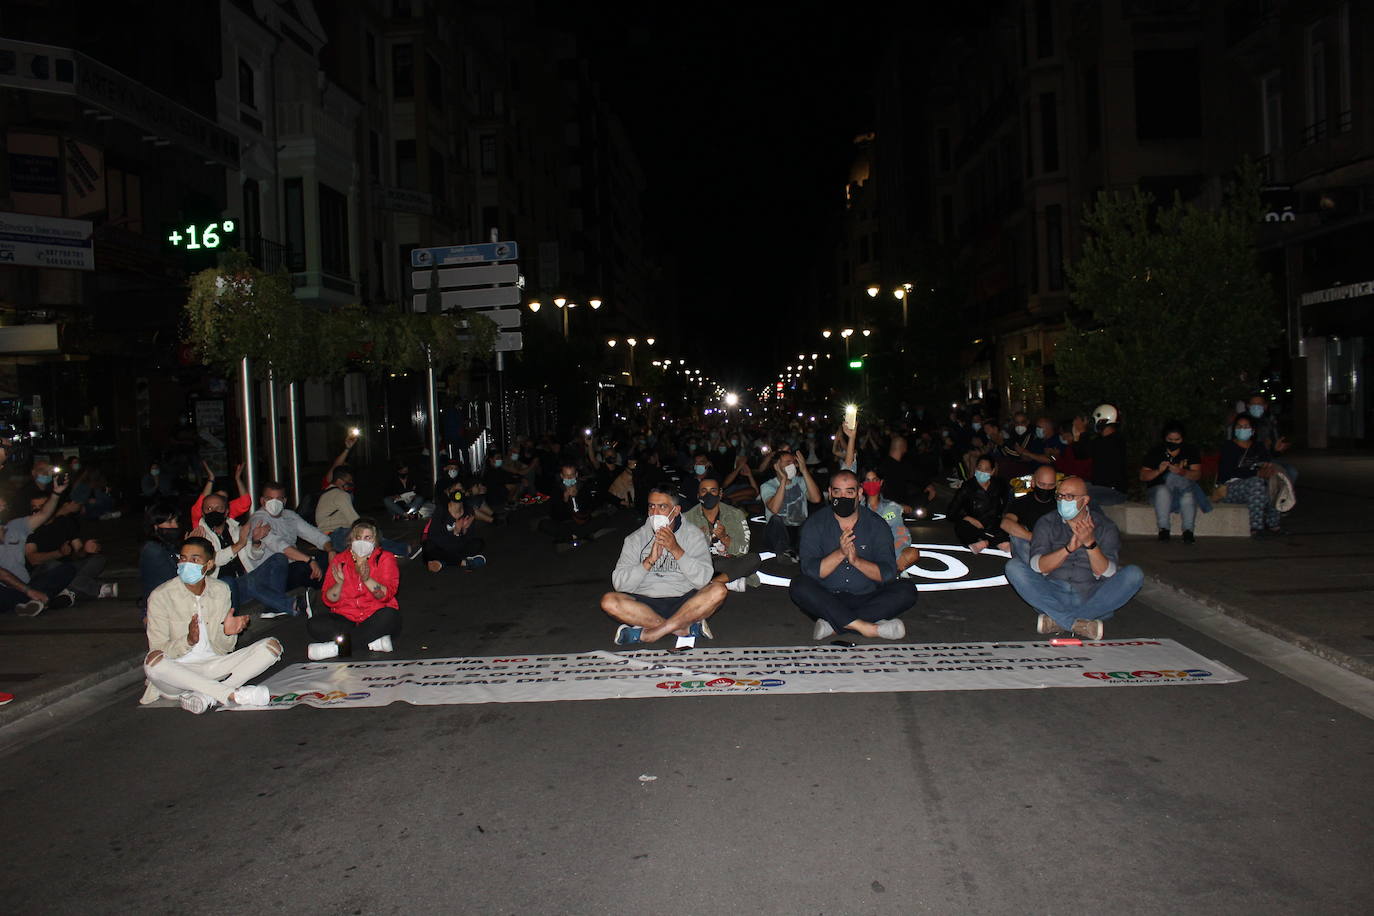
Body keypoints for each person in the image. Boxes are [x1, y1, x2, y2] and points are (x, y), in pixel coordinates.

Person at [139, 536, 282, 714]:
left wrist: (228, 633)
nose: (186, 564)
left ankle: (206, 696)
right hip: (177, 675)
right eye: (183, 558)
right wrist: (188, 641)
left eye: (194, 559)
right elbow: (158, 649)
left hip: (213, 666)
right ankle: (230, 694)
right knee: (153, 662)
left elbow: (223, 649)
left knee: (271, 647)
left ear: (209, 565)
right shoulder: (161, 596)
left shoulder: (221, 590)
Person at [1003, 475, 1144, 640]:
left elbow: (1108, 572)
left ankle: (1058, 620)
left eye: (1069, 497)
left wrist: (1090, 544)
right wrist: (1068, 549)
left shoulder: (1105, 526)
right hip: (1053, 593)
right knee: (1013, 567)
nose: (1063, 501)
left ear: (1085, 500)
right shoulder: (1047, 522)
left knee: (1134, 574)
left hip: (1090, 595)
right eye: (1060, 496)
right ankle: (1077, 623)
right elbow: (1037, 566)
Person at [789, 470, 916, 640]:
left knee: (907, 590)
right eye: (837, 492)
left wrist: (856, 561)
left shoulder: (877, 525)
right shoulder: (815, 524)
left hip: (868, 597)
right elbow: (810, 571)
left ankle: (835, 624)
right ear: (830, 493)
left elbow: (887, 573)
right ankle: (867, 627)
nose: (843, 497)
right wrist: (840, 553)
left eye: (849, 492)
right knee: (799, 585)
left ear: (860, 493)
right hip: (827, 596)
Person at [599, 485, 726, 645]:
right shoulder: (635, 539)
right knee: (609, 601)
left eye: (662, 507)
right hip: (645, 603)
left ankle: (647, 634)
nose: (655, 513)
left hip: (685, 601)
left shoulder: (693, 535)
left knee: (718, 590)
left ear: (676, 510)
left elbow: (702, 580)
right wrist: (648, 561)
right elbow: (620, 584)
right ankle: (683, 629)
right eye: (651, 506)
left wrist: (676, 550)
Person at [306, 518, 402, 660]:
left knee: (389, 616)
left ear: (375, 540)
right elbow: (328, 599)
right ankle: (371, 640)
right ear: (351, 539)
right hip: (348, 619)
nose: (362, 541)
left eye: (367, 537)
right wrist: (339, 584)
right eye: (358, 537)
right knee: (315, 624)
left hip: (375, 618)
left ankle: (337, 648)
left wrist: (366, 579)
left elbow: (385, 596)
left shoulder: (384, 558)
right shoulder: (340, 560)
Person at [192, 491, 298, 618]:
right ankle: (289, 604)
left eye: (218, 508)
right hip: (223, 591)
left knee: (279, 558)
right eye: (209, 509)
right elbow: (214, 560)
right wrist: (239, 544)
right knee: (233, 581)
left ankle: (274, 606)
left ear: (226, 511)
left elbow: (254, 556)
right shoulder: (199, 534)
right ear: (203, 513)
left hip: (245, 583)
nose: (214, 511)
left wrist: (256, 542)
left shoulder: (235, 529)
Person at [0, 475, 78, 615]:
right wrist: (29, 591)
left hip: (27, 584)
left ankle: (31, 603)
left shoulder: (16, 526)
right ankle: (42, 600)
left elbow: (44, 514)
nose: (2, 502)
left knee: (67, 569)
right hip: (7, 589)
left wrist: (56, 493)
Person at [243, 480, 334, 596]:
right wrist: (309, 560)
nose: (274, 503)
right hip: (272, 575)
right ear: (262, 501)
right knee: (304, 568)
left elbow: (316, 535)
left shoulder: (289, 516)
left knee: (333, 557)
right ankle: (320, 588)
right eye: (269, 499)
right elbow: (280, 546)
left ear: (284, 500)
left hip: (294, 564)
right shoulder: (259, 520)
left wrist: (331, 551)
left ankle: (329, 588)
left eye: (278, 499)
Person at [24, 491, 116, 600]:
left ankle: (66, 591)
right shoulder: (30, 528)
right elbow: (33, 559)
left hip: (68, 567)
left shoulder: (65, 522)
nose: (37, 511)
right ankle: (97, 589)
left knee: (98, 559)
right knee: (54, 565)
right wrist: (59, 553)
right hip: (43, 572)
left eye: (42, 507)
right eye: (34, 507)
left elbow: (78, 552)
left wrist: (86, 550)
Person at [682, 475, 760, 591]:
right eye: (704, 491)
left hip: (728, 561)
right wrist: (698, 540)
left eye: (713, 491)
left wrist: (724, 537)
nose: (708, 495)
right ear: (698, 495)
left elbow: (743, 550)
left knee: (754, 559)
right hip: (703, 564)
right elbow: (681, 552)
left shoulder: (735, 514)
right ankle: (728, 580)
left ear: (720, 494)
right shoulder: (686, 518)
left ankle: (711, 583)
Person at [315, 467, 412, 557]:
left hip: (325, 538)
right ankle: (404, 550)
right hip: (336, 535)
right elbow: (354, 520)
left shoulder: (327, 492)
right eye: (348, 481)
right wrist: (372, 530)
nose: (351, 483)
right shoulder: (340, 495)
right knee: (372, 537)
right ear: (339, 481)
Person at [1140, 422, 1210, 543]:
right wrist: (1158, 471)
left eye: (1177, 440)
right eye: (1170, 439)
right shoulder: (1156, 451)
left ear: (1182, 439)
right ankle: (1164, 529)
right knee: (1166, 489)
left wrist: (1181, 472)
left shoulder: (1190, 450)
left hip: (1180, 491)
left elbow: (1197, 474)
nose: (1173, 442)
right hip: (1158, 493)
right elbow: (1143, 476)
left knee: (1186, 493)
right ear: (1164, 439)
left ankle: (1188, 531)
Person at [1217, 415, 1283, 536]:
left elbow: (1266, 464)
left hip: (1256, 487)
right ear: (1235, 430)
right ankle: (1256, 527)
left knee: (1273, 483)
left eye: (1246, 427)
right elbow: (1227, 473)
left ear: (1252, 430)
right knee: (1256, 482)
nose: (1242, 429)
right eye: (1239, 426)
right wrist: (1256, 473)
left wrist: (1267, 470)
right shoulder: (1228, 447)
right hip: (1231, 488)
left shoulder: (1258, 446)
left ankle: (1273, 524)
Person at [759, 450, 819, 562]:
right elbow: (774, 509)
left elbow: (816, 499)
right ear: (776, 466)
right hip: (778, 531)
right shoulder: (768, 485)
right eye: (788, 462)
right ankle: (786, 553)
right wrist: (783, 481)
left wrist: (804, 470)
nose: (792, 465)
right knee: (776, 520)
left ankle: (795, 552)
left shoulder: (800, 481)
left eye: (794, 462)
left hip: (797, 528)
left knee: (811, 521)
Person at [947, 456, 1012, 553]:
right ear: (975, 469)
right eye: (979, 468)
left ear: (992, 471)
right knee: (962, 528)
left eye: (986, 470)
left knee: (1010, 525)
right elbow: (951, 513)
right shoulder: (967, 487)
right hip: (974, 524)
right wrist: (968, 518)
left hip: (994, 523)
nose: (982, 472)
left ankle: (985, 542)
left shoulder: (1000, 485)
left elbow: (1006, 505)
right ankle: (996, 541)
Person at [861, 468, 920, 575]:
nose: (871, 484)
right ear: (862, 484)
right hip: (863, 554)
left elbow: (900, 534)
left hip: (887, 554)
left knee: (913, 553)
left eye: (874, 480)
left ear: (881, 482)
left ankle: (892, 571)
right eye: (867, 480)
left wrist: (897, 556)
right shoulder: (856, 507)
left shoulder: (891, 507)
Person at [1067, 406, 1128, 506]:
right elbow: (1081, 455)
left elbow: (1087, 451)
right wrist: (1077, 436)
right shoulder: (1102, 440)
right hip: (1100, 488)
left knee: (1075, 491)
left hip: (1113, 491)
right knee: (1069, 488)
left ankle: (1099, 520)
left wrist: (1082, 433)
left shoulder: (1115, 441)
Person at [1000, 464, 1060, 563]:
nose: (1046, 489)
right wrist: (1035, 538)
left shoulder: (1061, 504)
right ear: (1033, 483)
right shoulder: (1021, 502)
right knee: (1016, 535)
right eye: (1042, 485)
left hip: (1054, 549)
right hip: (1029, 548)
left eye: (1051, 485)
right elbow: (1006, 523)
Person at [422, 492, 487, 572]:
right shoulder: (441, 511)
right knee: (429, 547)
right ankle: (464, 562)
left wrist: (464, 530)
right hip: (442, 546)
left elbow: (468, 539)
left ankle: (442, 562)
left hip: (456, 547)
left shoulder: (468, 512)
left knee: (478, 543)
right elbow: (434, 538)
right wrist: (455, 533)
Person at [878, 435, 936, 515]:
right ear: (902, 447)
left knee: (924, 495)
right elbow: (887, 492)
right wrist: (898, 505)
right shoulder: (887, 468)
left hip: (901, 500)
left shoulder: (901, 465)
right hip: (891, 504)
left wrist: (928, 485)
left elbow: (915, 476)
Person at [139, 501, 183, 607]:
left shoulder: (168, 545)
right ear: (155, 526)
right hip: (161, 607)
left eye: (175, 521)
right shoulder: (153, 550)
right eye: (169, 522)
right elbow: (172, 580)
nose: (175, 525)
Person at [189, 461, 251, 529]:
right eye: (217, 497)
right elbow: (203, 503)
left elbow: (245, 502)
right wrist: (211, 479)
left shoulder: (227, 510)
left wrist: (238, 479)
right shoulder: (200, 515)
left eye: (223, 499)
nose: (215, 509)